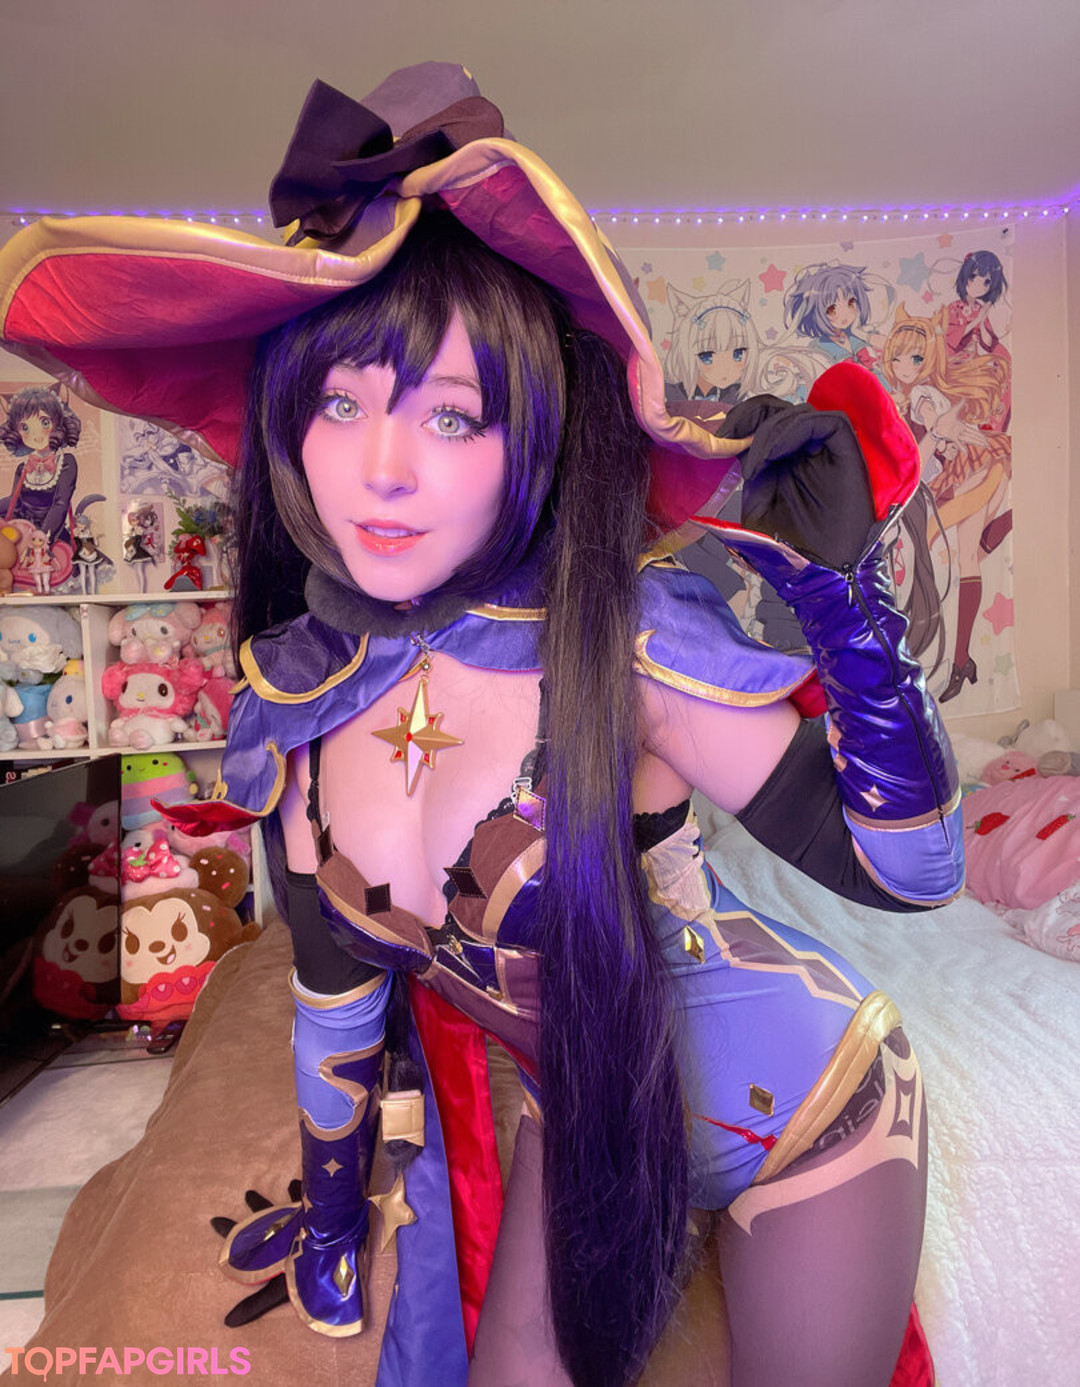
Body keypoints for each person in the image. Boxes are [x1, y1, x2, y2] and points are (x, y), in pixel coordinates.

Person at [0, 64, 962, 1387]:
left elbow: (912, 876)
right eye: (340, 401)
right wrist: (330, 1229)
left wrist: (847, 610)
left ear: (533, 440)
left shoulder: (625, 640)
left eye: (450, 414)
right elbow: (334, 1003)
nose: (381, 468)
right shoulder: (296, 704)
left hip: (810, 1113)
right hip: (585, 1121)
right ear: (287, 426)